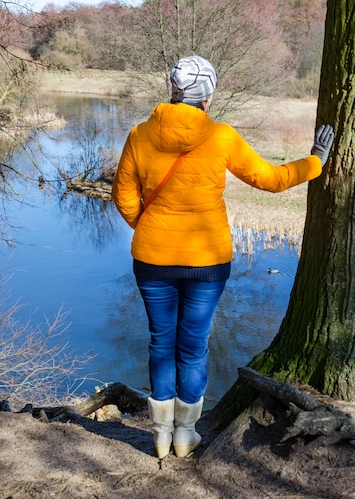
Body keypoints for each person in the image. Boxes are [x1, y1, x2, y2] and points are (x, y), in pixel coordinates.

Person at [111, 55, 334, 459]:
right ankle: (185, 435)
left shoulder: (139, 135)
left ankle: (160, 436)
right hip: (206, 261)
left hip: (152, 257)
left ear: (173, 91)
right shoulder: (221, 137)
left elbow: (123, 197)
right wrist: (314, 160)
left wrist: (151, 227)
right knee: (193, 345)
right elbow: (270, 179)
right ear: (207, 97)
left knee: (161, 342)